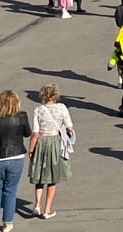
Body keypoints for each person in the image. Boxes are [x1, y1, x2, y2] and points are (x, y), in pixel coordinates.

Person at [0, 90, 31, 232]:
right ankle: (7, 222)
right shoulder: (21, 117)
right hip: (16, 157)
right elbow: (28, 133)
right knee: (10, 190)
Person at [28, 84, 73, 221]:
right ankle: (47, 210)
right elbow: (70, 127)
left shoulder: (38, 110)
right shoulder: (62, 108)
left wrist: (31, 149)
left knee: (40, 175)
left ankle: (37, 205)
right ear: (55, 95)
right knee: (52, 177)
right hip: (54, 141)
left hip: (41, 142)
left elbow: (35, 132)